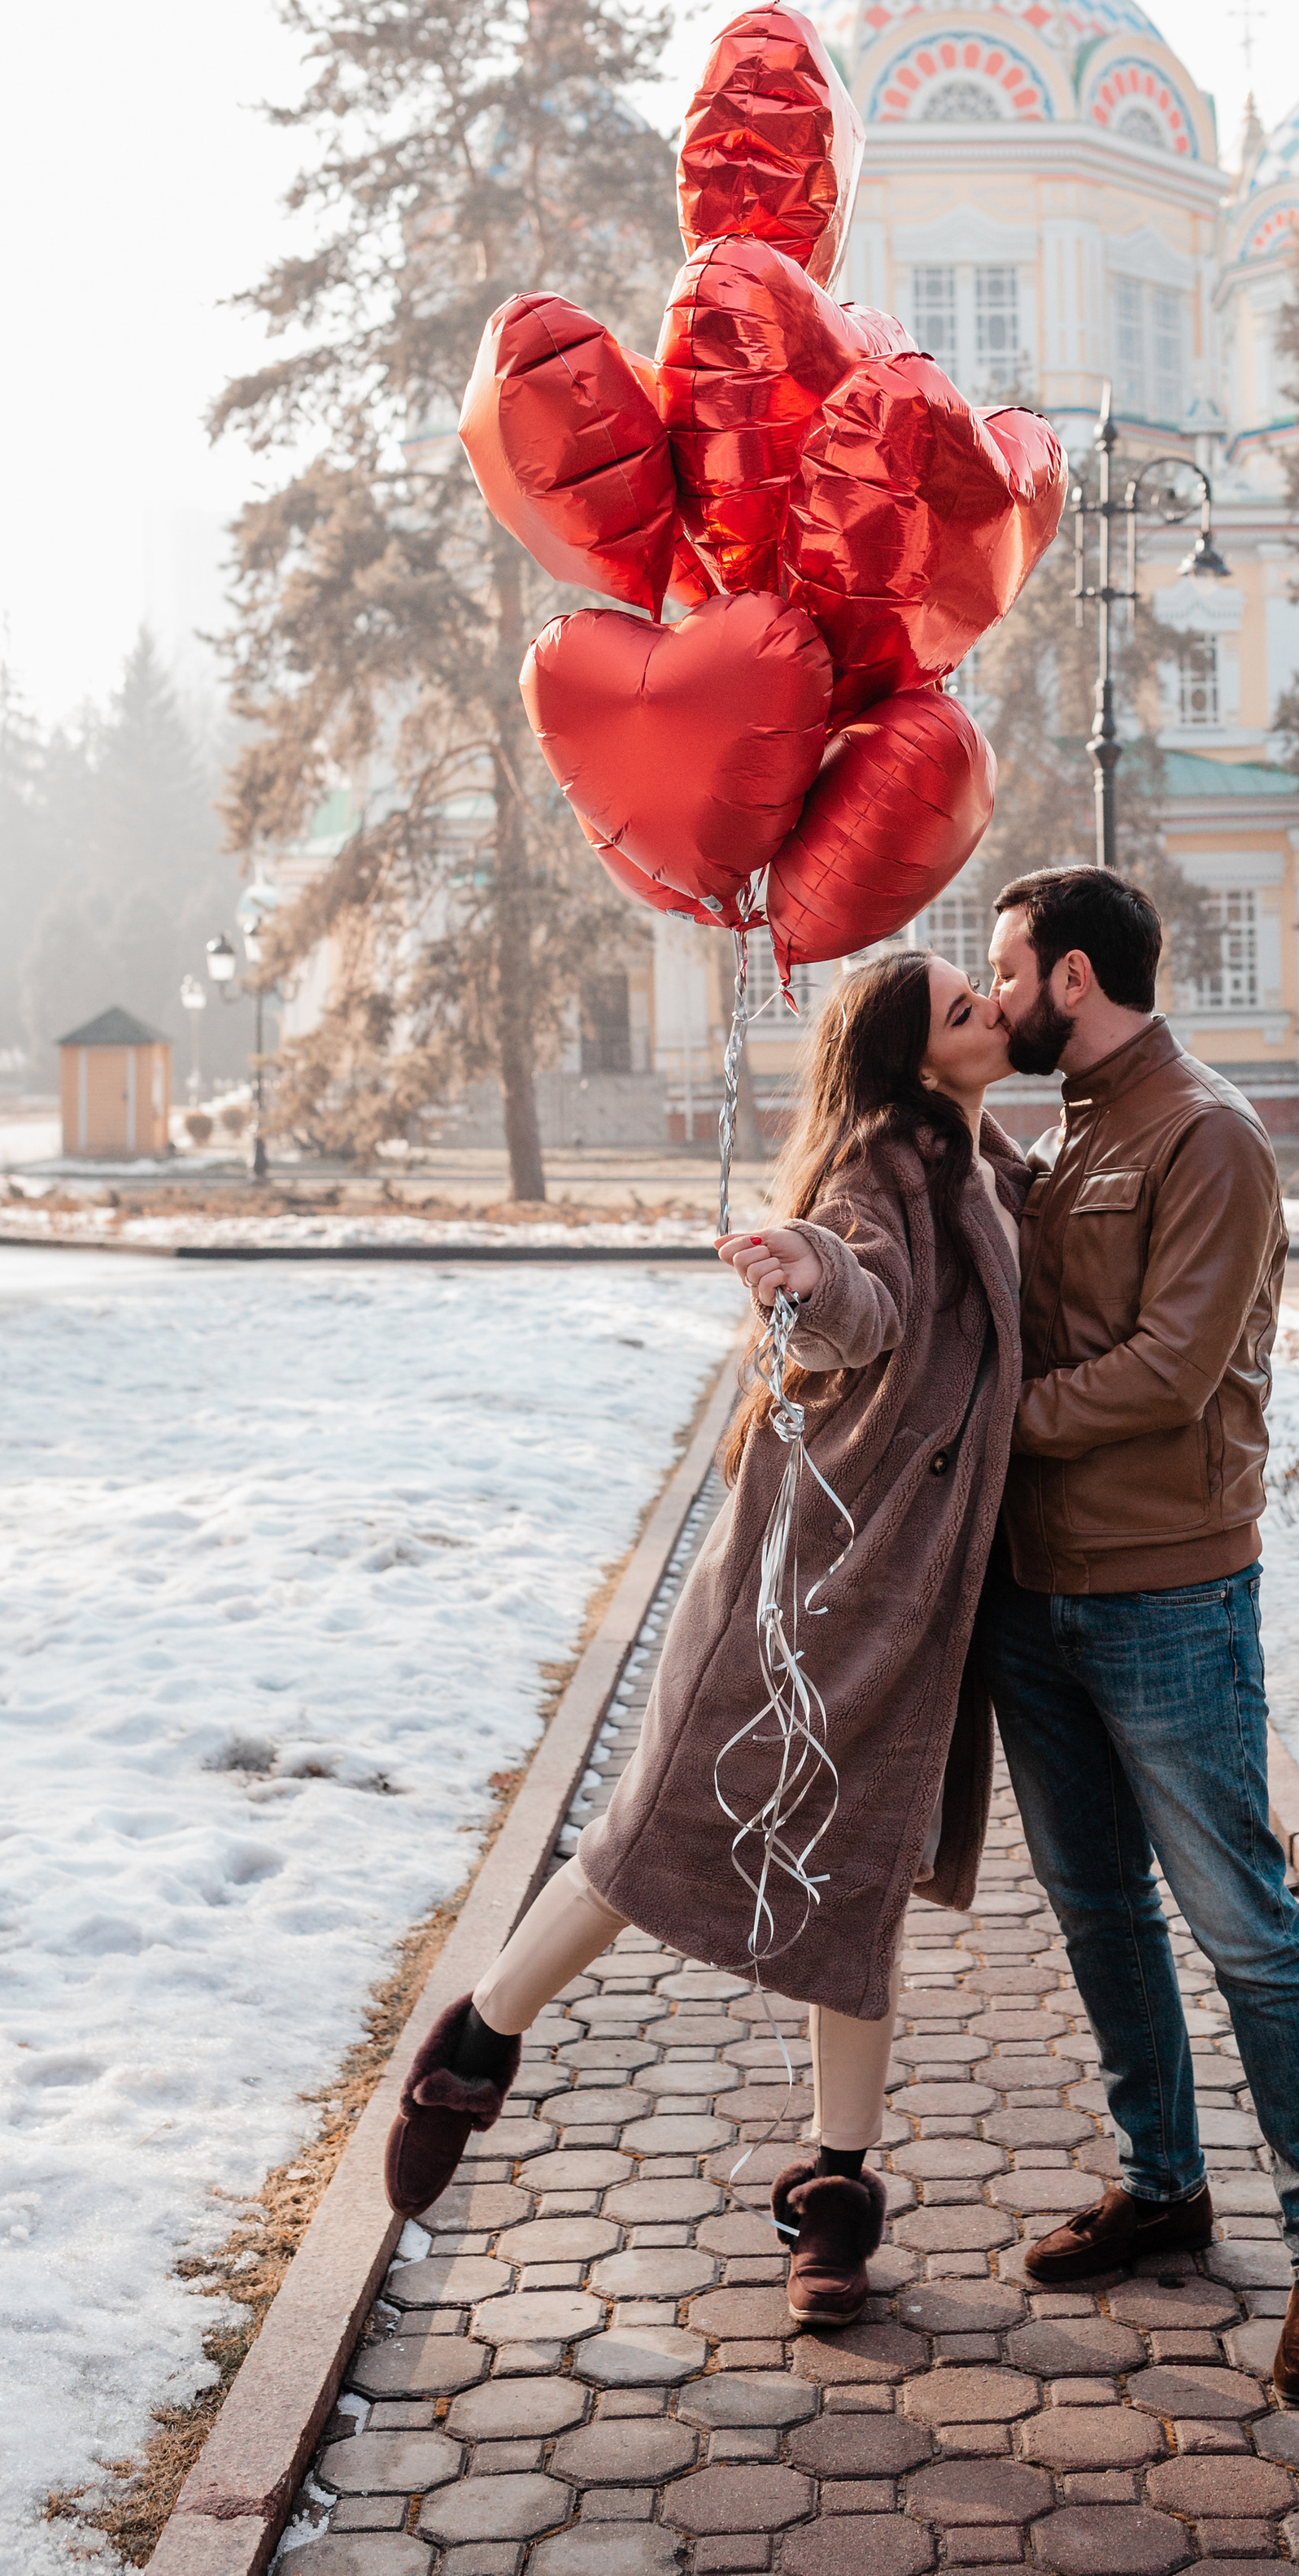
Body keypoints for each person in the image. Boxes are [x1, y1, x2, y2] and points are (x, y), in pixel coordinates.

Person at [381, 952, 1027, 2327]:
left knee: (855, 1880)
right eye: (964, 1008)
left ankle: (836, 2198)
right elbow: (864, 1298)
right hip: (811, 1587)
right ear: (913, 1060)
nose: (992, 1011)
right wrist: (812, 1268)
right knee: (665, 1827)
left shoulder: (988, 1164)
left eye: (987, 994)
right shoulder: (881, 1173)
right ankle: (479, 2037)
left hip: (908, 1600)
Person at [979, 865, 1299, 2406]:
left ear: (1072, 978)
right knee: (1099, 1913)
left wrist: (990, 1429)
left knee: (1248, 1937)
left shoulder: (1207, 1134)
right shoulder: (1062, 1137)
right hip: (1035, 1600)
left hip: (1167, 1591)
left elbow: (1170, 1369)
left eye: (1005, 971)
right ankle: (1165, 2189)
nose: (995, 995)